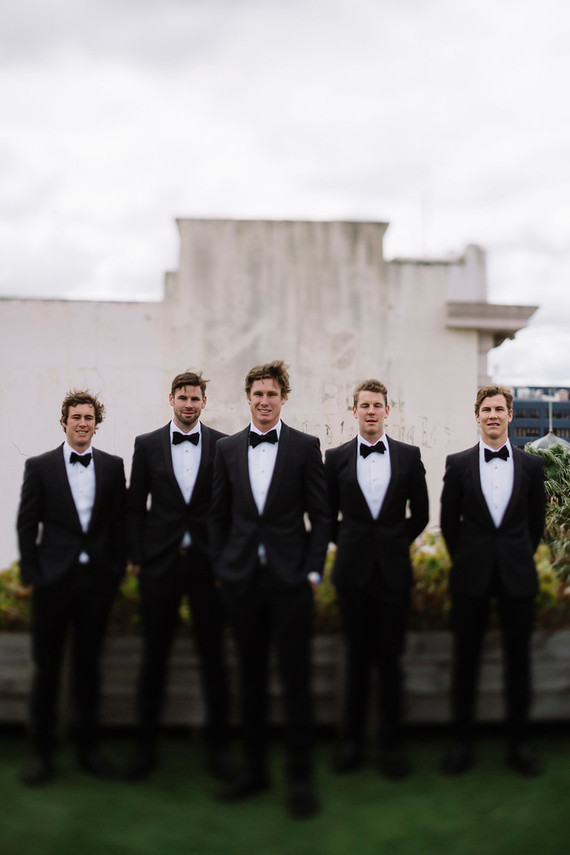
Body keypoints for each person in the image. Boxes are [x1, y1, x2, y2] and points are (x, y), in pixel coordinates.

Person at [210, 360, 330, 818]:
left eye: (272, 394)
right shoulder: (226, 449)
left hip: (291, 581)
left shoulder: (305, 447)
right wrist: (223, 567)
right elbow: (217, 515)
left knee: (296, 681)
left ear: (283, 399)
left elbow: (321, 516)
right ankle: (254, 772)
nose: (264, 401)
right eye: (258, 394)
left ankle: (300, 780)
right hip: (243, 581)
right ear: (248, 398)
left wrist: (312, 571)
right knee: (251, 680)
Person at [16, 390, 126, 786]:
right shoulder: (40, 466)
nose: (82, 423)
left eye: (88, 417)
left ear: (97, 423)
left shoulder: (113, 467)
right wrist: (33, 574)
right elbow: (27, 523)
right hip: (53, 583)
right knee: (47, 669)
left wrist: (115, 572)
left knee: (88, 667)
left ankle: (88, 749)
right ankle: (42, 755)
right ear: (64, 422)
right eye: (76, 417)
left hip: (96, 583)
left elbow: (119, 524)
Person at [126, 371, 231, 781]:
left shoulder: (224, 445)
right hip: (161, 565)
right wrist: (138, 557)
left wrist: (226, 559)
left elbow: (231, 506)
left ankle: (219, 753)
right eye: (182, 397)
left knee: (214, 660)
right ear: (171, 399)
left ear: (204, 402)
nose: (189, 404)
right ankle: (144, 752)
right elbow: (135, 506)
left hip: (208, 566)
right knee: (153, 659)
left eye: (195, 398)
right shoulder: (147, 444)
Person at [325, 379, 429, 778]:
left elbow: (420, 513)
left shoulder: (408, 455)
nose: (371, 411)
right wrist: (353, 544)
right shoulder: (335, 457)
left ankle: (391, 747)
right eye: (364, 405)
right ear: (354, 411)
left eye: (377, 405)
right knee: (355, 659)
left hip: (393, 574)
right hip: (351, 574)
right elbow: (326, 515)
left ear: (388, 410)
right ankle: (351, 744)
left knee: (390, 661)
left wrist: (391, 543)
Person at [440, 385, 546, 776]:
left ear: (510, 415)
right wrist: (468, 558)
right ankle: (461, 745)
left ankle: (519, 746)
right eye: (486, 410)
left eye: (499, 409)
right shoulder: (457, 464)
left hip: (517, 576)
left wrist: (516, 556)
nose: (493, 415)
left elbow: (536, 524)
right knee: (465, 662)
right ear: (477, 416)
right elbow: (449, 523)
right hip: (471, 576)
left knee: (519, 664)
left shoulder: (532, 466)